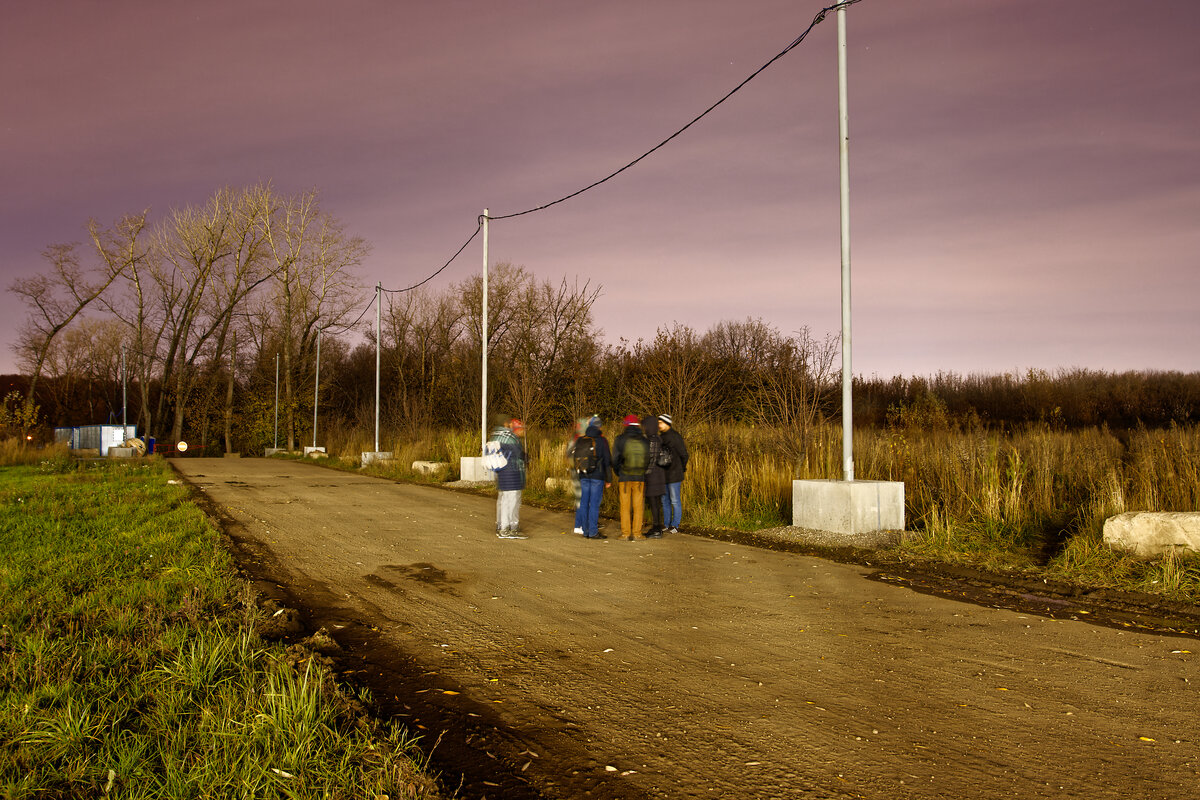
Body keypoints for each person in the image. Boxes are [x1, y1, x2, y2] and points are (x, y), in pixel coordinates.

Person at [486, 415, 527, 539]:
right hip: (512, 473)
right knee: (511, 501)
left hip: (502, 472)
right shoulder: (509, 437)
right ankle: (507, 528)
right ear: (506, 424)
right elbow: (517, 454)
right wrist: (525, 457)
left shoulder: (495, 435)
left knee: (503, 500)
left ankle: (502, 526)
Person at [612, 414, 649, 541]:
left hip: (624, 477)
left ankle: (625, 534)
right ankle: (637, 533)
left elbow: (615, 459)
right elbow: (648, 458)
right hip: (639, 478)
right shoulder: (644, 439)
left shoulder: (620, 439)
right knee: (638, 506)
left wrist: (618, 472)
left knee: (625, 506)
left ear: (626, 425)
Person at [573, 417, 612, 539]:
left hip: (583, 475)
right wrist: (609, 479)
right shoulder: (602, 440)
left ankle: (585, 531)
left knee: (584, 503)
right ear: (599, 427)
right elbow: (607, 460)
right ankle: (593, 531)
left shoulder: (580, 440)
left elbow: (575, 458)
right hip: (597, 476)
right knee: (594, 504)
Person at [657, 414, 689, 533]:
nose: (659, 425)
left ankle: (675, 525)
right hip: (663, 475)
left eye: (661, 422)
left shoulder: (675, 437)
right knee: (665, 500)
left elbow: (684, 455)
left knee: (675, 500)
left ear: (667, 423)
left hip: (674, 474)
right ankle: (666, 523)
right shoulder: (660, 438)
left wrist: (681, 467)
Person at [570, 415, 600, 534]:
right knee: (583, 499)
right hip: (580, 472)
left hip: (578, 471)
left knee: (582, 499)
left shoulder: (577, 439)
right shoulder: (585, 440)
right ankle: (580, 524)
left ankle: (582, 524)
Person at [641, 414, 667, 537]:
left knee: (654, 503)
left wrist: (644, 473)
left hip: (652, 477)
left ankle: (656, 529)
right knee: (657, 503)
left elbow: (650, 460)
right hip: (660, 475)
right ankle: (657, 527)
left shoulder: (650, 441)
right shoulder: (659, 439)